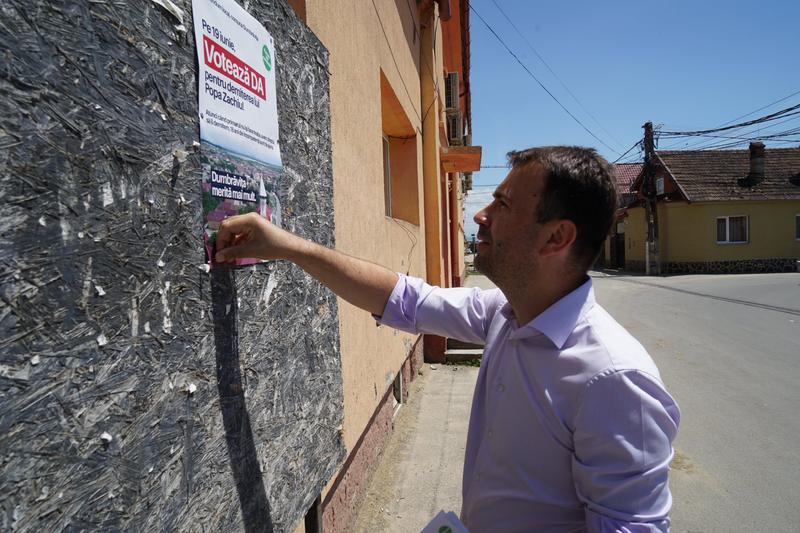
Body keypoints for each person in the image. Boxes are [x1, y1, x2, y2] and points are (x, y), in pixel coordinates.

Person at [214, 146, 680, 532]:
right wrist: (287, 246)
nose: (481, 214)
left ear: (556, 237)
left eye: (503, 205)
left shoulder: (615, 380)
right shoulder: (505, 315)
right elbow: (406, 299)